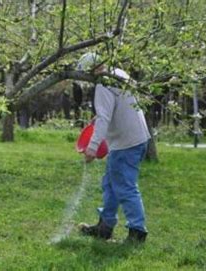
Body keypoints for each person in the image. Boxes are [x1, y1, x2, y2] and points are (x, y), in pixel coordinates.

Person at [76, 52, 151, 243]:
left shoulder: (103, 85)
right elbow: (116, 108)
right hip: (135, 138)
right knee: (110, 184)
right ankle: (105, 227)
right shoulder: (118, 74)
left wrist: (92, 148)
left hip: (126, 143)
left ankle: (137, 232)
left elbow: (104, 118)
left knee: (125, 187)